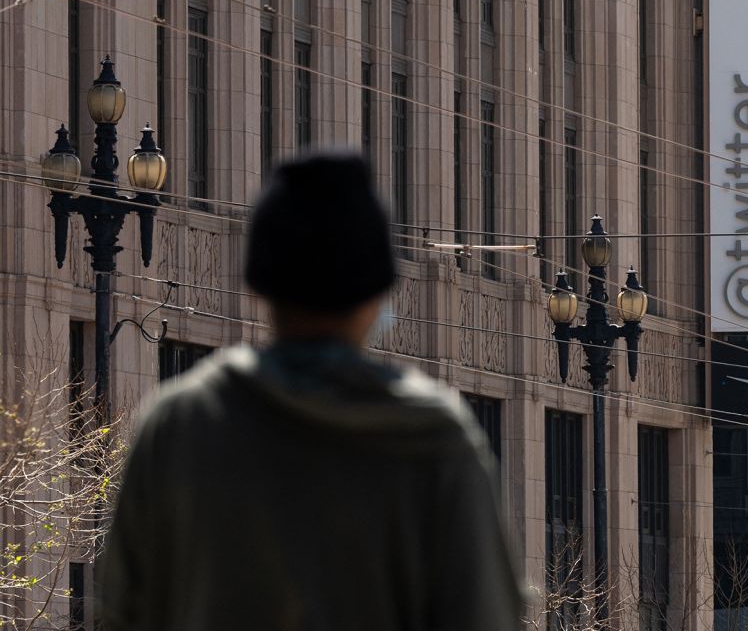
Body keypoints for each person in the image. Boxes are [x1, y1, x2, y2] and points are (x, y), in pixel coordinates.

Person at [100, 152, 523, 630]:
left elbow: (124, 609)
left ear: (261, 287)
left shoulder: (180, 425)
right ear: (375, 297)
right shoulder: (436, 440)